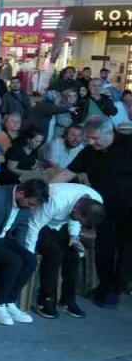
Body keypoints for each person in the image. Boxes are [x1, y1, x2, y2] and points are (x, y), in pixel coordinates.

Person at [54, 116, 132, 308]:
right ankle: (104, 286)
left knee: (127, 251)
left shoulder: (128, 144)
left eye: (95, 138)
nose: (90, 142)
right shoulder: (89, 152)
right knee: (103, 249)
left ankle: (116, 290)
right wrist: (46, 188)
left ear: (109, 133)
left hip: (130, 209)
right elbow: (68, 173)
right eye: (88, 138)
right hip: (103, 210)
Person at [23, 182, 105, 319]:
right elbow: (34, 225)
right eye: (80, 219)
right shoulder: (56, 199)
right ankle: (45, 299)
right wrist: (28, 252)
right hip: (39, 222)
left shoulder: (96, 201)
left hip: (63, 223)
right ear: (76, 208)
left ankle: (67, 300)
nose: (81, 222)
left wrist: (74, 237)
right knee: (54, 254)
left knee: (73, 254)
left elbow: (76, 220)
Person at [0, 179, 48, 325]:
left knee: (30, 260)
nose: (32, 208)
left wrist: (22, 250)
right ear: (21, 193)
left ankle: (10, 301)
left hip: (4, 238)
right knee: (13, 261)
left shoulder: (25, 204)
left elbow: (22, 227)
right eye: (31, 204)